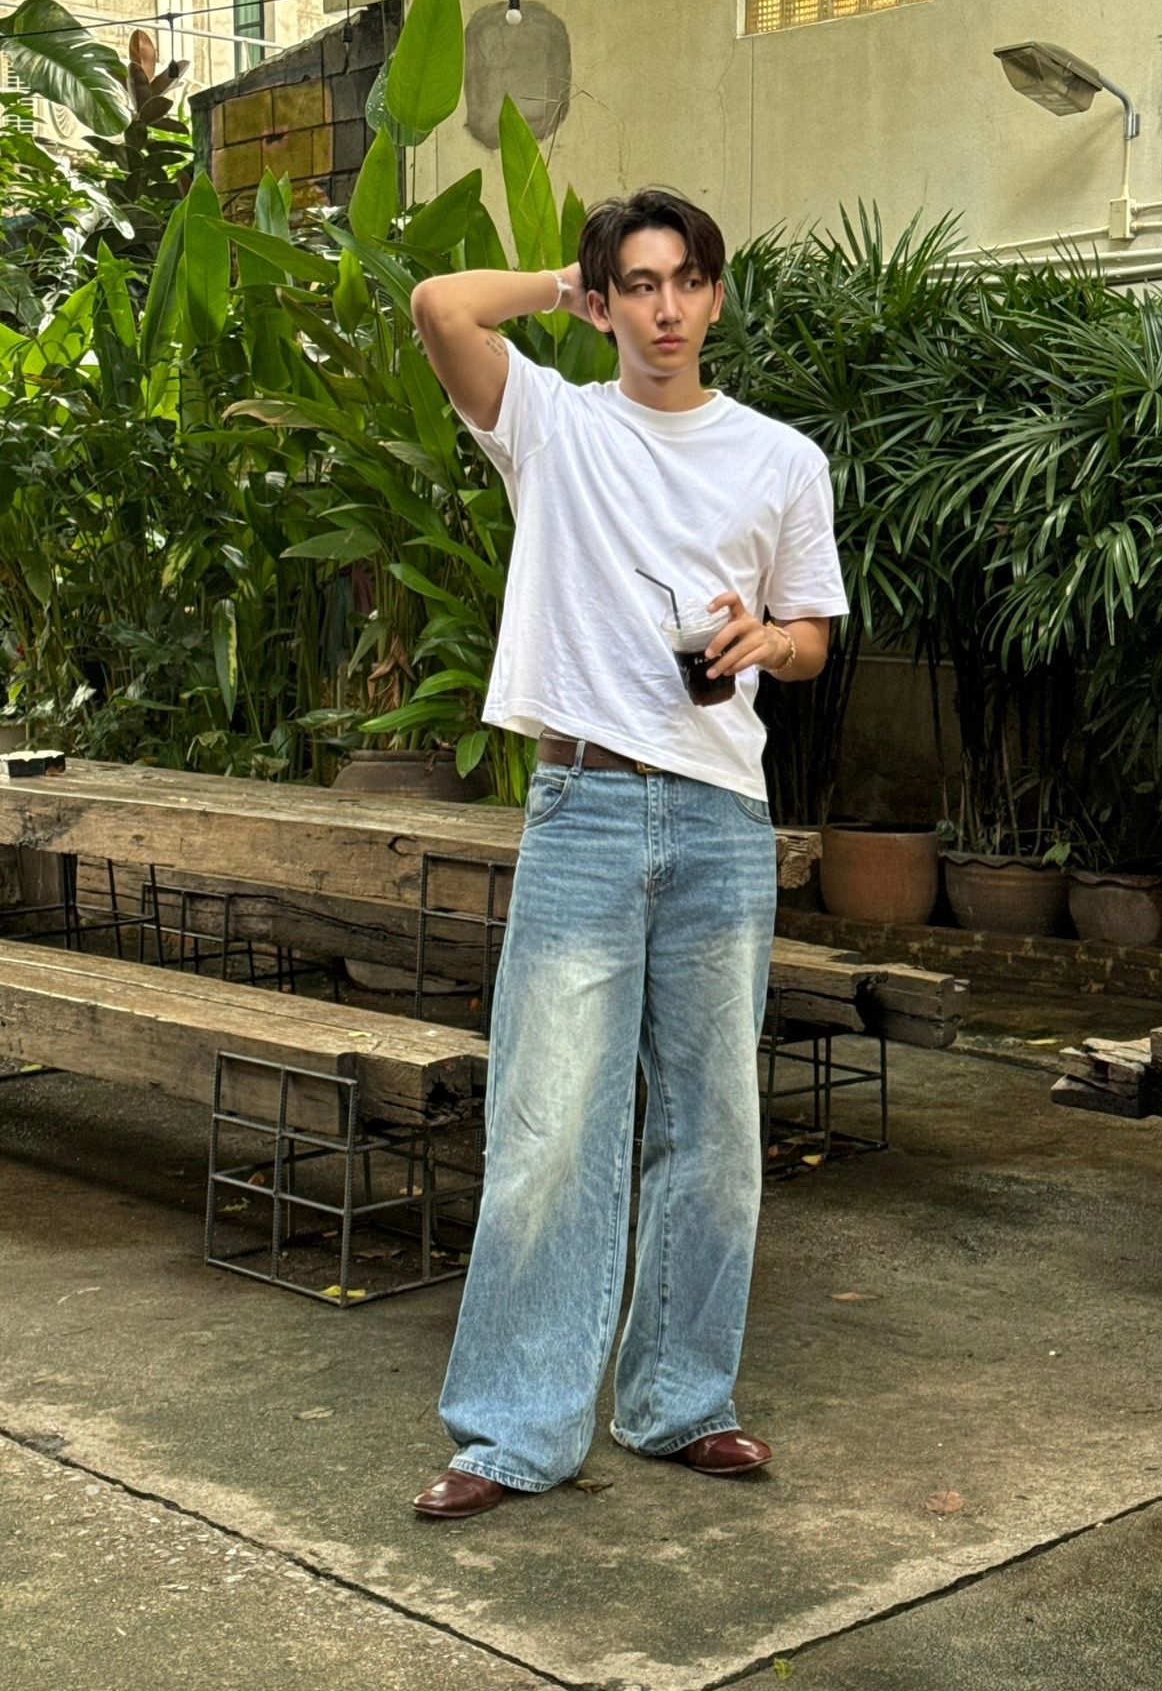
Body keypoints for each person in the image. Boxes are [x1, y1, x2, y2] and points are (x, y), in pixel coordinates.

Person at [407, 188, 848, 1519]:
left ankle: (681, 1403)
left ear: (715, 297)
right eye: (638, 285)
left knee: (713, 1134)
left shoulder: (781, 459)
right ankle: (514, 1433)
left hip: (719, 818)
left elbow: (813, 635)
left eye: (686, 282)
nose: (666, 309)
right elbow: (440, 305)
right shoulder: (555, 425)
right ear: (608, 304)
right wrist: (565, 281)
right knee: (549, 1129)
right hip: (585, 808)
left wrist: (768, 643)